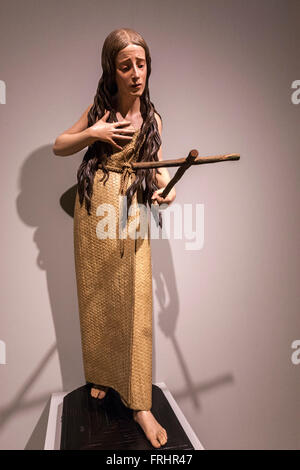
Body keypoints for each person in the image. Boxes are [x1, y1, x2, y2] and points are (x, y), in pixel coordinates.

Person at [53, 28, 176, 449]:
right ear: (113, 70)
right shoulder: (101, 110)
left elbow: (158, 171)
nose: (136, 74)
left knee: (136, 302)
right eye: (126, 66)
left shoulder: (153, 118)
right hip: (94, 215)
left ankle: (140, 402)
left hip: (131, 213)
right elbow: (59, 145)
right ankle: (103, 373)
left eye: (141, 65)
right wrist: (95, 134)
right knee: (98, 296)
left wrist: (167, 189)